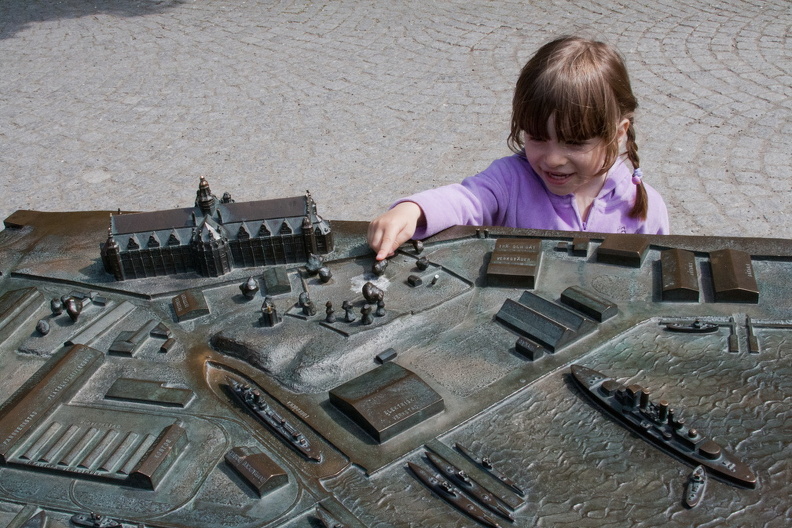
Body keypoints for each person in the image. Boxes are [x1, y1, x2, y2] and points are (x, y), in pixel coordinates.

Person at [368, 36, 670, 261]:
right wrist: (413, 210)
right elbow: (467, 200)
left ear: (618, 134)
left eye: (575, 142)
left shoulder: (645, 208)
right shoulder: (511, 180)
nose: (552, 158)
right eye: (538, 137)